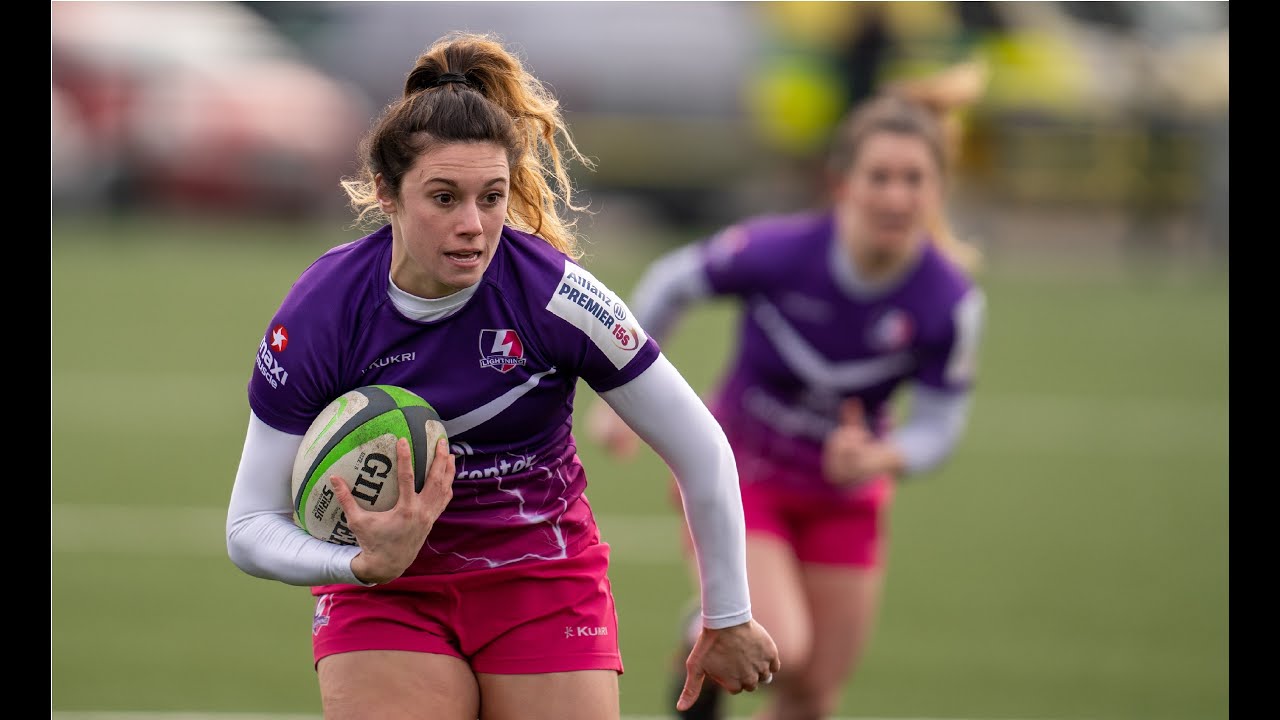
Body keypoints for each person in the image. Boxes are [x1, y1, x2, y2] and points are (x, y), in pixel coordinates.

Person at [224, 31, 779, 720]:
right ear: (385, 193)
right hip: (388, 596)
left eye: (491, 197)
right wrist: (359, 564)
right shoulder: (324, 310)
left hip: (543, 582)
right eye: (444, 197)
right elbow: (249, 524)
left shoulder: (555, 295)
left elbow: (702, 448)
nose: (474, 226)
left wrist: (726, 616)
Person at [588, 92, 987, 719]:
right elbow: (672, 280)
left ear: (938, 190)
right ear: (843, 183)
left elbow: (940, 424)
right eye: (879, 177)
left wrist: (886, 455)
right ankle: (704, 635)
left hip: (844, 499)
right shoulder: (781, 252)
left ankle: (710, 635)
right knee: (784, 646)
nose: (896, 196)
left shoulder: (949, 301)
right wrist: (620, 395)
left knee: (814, 692)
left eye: (915, 179)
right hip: (743, 475)